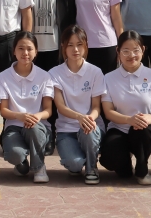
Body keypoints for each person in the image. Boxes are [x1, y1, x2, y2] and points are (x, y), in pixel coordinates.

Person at [99, 31, 151, 185]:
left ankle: (142, 168)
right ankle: (125, 164)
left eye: (136, 50)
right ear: (118, 52)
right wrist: (129, 120)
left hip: (146, 129)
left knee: (141, 130)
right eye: (125, 51)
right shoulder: (108, 78)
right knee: (111, 160)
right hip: (119, 128)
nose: (131, 55)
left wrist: (150, 117)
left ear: (143, 50)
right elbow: (108, 112)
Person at [27, 0, 76, 154]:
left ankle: (53, 134)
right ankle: (40, 133)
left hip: (56, 50)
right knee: (38, 94)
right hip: (34, 52)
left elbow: (71, 19)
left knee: (55, 94)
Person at [49, 25, 105, 185]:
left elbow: (96, 107)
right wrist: (79, 117)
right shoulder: (54, 73)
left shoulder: (95, 72)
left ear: (86, 46)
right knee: (74, 164)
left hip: (91, 126)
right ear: (63, 47)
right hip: (66, 129)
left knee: (89, 130)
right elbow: (60, 107)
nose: (75, 49)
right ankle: (81, 159)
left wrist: (89, 119)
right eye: (70, 45)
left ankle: (92, 167)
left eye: (79, 44)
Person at [0, 31, 54, 184]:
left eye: (29, 49)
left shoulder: (44, 76)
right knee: (14, 154)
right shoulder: (3, 76)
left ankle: (39, 167)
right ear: (14, 51)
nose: (25, 53)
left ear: (36, 52)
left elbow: (48, 110)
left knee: (34, 129)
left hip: (38, 125)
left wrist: (37, 116)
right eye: (21, 48)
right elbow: (3, 110)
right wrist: (19, 116)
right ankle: (21, 164)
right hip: (14, 126)